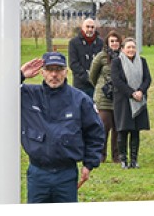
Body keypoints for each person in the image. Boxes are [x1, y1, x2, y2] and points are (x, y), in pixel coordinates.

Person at [20, 52, 106, 203]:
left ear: (66, 72)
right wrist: (19, 75)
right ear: (42, 72)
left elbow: (95, 132)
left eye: (59, 69)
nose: (54, 74)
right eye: (49, 69)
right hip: (38, 173)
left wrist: (89, 164)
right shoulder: (28, 95)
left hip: (66, 174)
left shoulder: (80, 100)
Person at [112, 38, 152, 168]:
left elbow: (147, 78)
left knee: (136, 131)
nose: (131, 50)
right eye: (128, 47)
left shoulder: (143, 61)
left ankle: (134, 160)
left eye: (133, 47)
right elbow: (117, 81)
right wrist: (131, 93)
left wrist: (140, 91)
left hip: (139, 101)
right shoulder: (116, 62)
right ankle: (123, 159)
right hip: (123, 101)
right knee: (123, 131)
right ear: (122, 49)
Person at [89, 31, 124, 163]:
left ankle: (117, 155)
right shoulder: (101, 56)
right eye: (112, 41)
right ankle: (100, 155)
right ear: (107, 43)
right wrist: (101, 86)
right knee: (103, 127)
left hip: (119, 97)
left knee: (118, 128)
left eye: (116, 41)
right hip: (104, 97)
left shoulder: (123, 56)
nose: (114, 43)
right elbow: (92, 76)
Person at [68, 18, 103, 99]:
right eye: (87, 27)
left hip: (97, 84)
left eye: (92, 27)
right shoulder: (74, 42)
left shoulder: (101, 43)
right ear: (82, 28)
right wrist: (87, 77)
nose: (90, 29)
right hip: (80, 84)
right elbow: (73, 63)